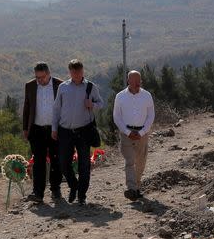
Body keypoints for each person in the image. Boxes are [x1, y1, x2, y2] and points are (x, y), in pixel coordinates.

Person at [51, 59, 104, 205]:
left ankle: (81, 195)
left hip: (84, 131)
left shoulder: (90, 87)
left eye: (79, 71)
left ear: (83, 71)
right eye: (73, 72)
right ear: (70, 72)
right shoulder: (63, 87)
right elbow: (56, 109)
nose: (76, 74)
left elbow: (101, 103)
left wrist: (92, 104)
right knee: (63, 163)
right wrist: (54, 128)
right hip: (64, 131)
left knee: (84, 164)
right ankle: (74, 186)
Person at [22, 62, 63, 203]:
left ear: (49, 73)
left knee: (56, 159)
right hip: (37, 129)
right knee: (38, 162)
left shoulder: (60, 85)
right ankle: (38, 192)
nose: (40, 80)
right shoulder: (30, 86)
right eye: (37, 77)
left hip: (55, 129)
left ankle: (56, 189)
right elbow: (26, 108)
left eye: (43, 77)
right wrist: (25, 128)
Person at [113, 70, 155, 200]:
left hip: (143, 133)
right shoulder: (120, 96)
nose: (137, 83)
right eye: (134, 80)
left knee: (141, 162)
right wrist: (127, 132)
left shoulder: (147, 96)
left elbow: (151, 116)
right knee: (130, 161)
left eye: (139, 80)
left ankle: (136, 186)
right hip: (126, 134)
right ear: (128, 81)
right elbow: (117, 116)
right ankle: (131, 189)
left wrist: (142, 132)